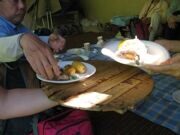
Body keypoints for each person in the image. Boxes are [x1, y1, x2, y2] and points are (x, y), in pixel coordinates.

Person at [0, 0, 66, 120]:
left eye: (24, 0)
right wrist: (21, 41)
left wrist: (48, 41)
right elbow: (3, 45)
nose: (21, 6)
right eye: (14, 0)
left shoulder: (18, 26)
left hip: (28, 100)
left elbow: (31, 39)